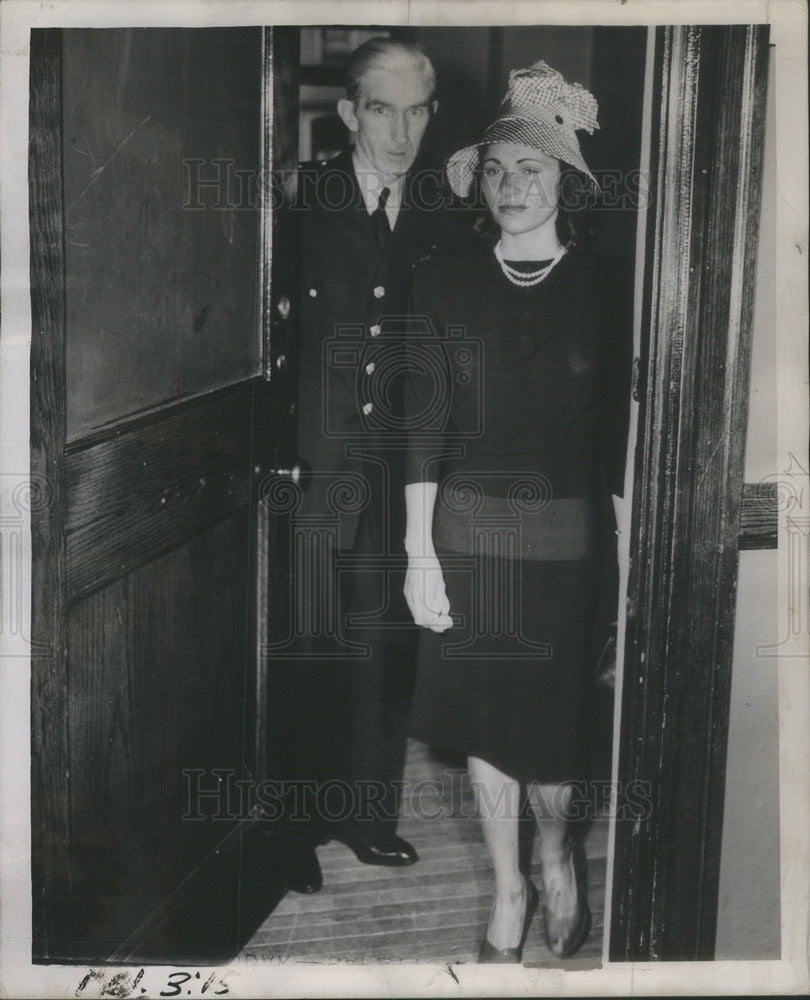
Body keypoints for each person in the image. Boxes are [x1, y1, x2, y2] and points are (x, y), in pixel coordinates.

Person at [402, 61, 632, 961]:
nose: (510, 186)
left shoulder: (610, 289)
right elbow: (422, 429)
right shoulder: (443, 284)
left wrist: (636, 553)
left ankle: (553, 848)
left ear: (568, 181)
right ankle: (509, 887)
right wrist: (419, 555)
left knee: (556, 731)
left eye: (531, 169)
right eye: (496, 169)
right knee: (486, 724)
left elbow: (623, 435)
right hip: (464, 537)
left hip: (571, 545)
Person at [277, 37, 469, 895]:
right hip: (306, 465)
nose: (400, 131)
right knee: (294, 645)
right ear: (350, 114)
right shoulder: (296, 200)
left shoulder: (442, 210)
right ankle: (284, 829)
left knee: (376, 648)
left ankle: (363, 815)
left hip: (397, 474)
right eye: (382, 110)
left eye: (417, 110)